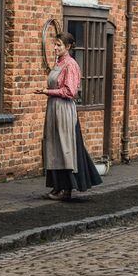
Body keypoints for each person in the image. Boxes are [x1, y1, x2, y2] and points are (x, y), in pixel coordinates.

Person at [36, 33, 102, 200]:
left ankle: (67, 189)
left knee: (65, 147)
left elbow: (70, 91)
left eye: (59, 45)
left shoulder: (70, 65)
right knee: (54, 146)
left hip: (64, 108)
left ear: (68, 47)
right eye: (55, 44)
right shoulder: (59, 63)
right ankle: (57, 187)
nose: (55, 48)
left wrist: (47, 91)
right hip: (53, 107)